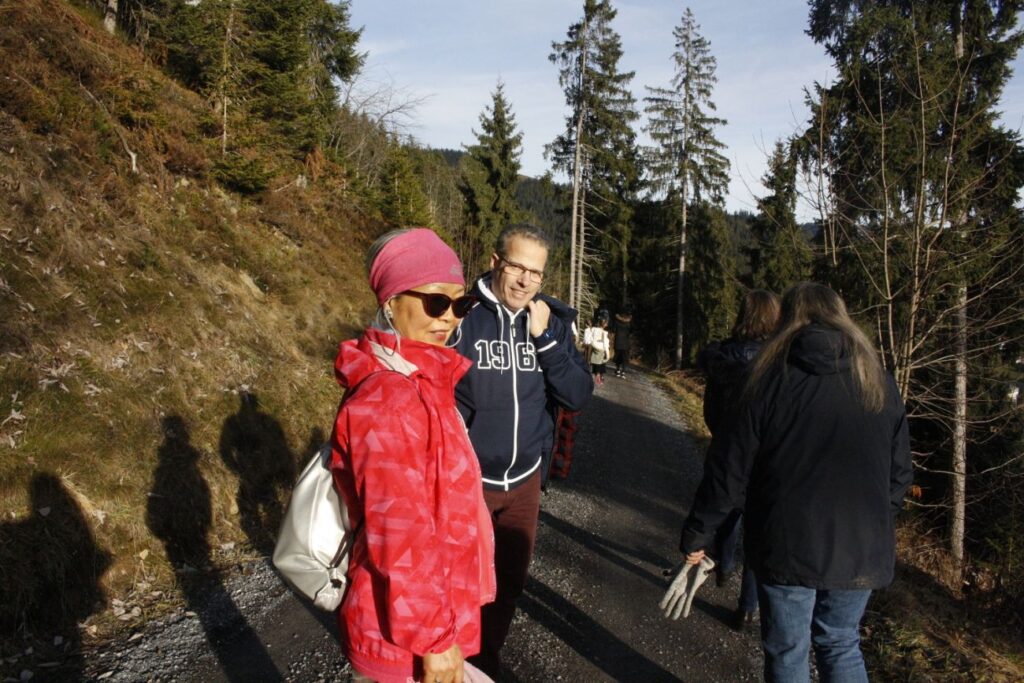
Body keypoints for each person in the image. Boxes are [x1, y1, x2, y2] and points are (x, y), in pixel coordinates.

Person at [676, 282, 913, 683]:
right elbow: (900, 476)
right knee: (840, 643)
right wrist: (875, 522)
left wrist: (699, 534)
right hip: (861, 545)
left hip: (786, 542)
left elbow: (729, 470)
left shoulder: (765, 379)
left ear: (788, 320)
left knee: (788, 650)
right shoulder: (879, 381)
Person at [329, 228, 497, 683]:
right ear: (390, 303)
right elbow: (398, 533)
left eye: (460, 304)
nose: (449, 318)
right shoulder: (388, 398)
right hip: (403, 638)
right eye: (435, 302)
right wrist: (436, 641)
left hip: (425, 619)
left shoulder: (423, 380)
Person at [455, 223, 594, 678]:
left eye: (535, 273)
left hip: (525, 484)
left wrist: (547, 341)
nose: (524, 281)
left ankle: (485, 663)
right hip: (468, 484)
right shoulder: (461, 316)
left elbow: (577, 393)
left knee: (509, 585)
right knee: (460, 588)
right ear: (496, 262)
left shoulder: (550, 322)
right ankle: (448, 663)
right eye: (517, 267)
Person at [695, 289, 780, 630]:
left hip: (725, 447)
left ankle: (724, 563)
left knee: (726, 509)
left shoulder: (722, 357)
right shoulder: (778, 363)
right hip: (765, 458)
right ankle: (747, 606)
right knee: (758, 530)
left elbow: (711, 408)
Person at [583, 311, 612, 386]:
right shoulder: (604, 333)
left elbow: (587, 340)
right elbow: (606, 344)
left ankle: (594, 376)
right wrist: (608, 354)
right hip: (601, 350)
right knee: (601, 363)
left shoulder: (592, 329)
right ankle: (599, 377)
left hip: (592, 348)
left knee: (592, 363)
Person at [610, 308, 633, 378]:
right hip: (626, 343)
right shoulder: (629, 323)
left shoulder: (617, 322)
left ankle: (617, 370)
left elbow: (613, 331)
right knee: (625, 357)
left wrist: (611, 340)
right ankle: (623, 371)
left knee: (618, 357)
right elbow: (631, 333)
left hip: (618, 342)